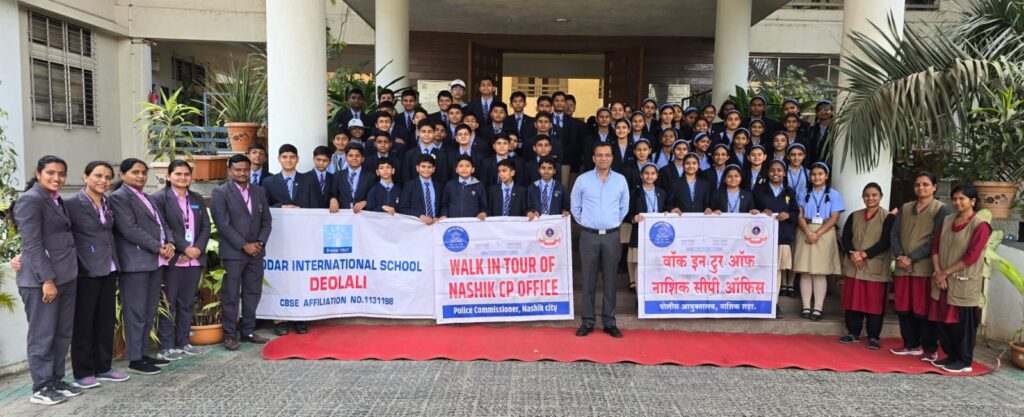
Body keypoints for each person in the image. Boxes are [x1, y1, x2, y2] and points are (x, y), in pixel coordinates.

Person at [12, 156, 81, 404]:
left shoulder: (55, 199)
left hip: (65, 277)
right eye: (51, 172)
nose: (57, 178)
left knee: (62, 333)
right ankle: (41, 387)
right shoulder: (30, 200)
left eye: (61, 174)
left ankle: (55, 380)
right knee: (43, 335)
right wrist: (47, 280)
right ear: (38, 173)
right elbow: (32, 243)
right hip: (41, 281)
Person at [64, 161, 130, 389]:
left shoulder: (107, 202)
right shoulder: (71, 203)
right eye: (98, 175)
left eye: (108, 177)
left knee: (105, 320)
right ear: (85, 176)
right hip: (85, 270)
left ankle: (104, 367)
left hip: (109, 267)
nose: (103, 181)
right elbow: (59, 233)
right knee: (84, 322)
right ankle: (83, 371)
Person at [109, 158, 174, 375]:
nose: (141, 176)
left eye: (144, 172)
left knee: (149, 310)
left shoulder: (146, 196)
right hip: (136, 263)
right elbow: (129, 229)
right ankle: (135, 359)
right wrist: (158, 247)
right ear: (122, 175)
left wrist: (170, 243)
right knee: (135, 311)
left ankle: (144, 353)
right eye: (135, 172)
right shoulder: (119, 197)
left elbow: (162, 224)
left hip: (154, 262)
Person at [210, 154, 272, 350]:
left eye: (246, 169)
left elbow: (267, 221)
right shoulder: (220, 192)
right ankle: (230, 335)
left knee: (253, 292)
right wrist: (244, 245)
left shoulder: (259, 191)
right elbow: (222, 224)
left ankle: (248, 331)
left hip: (256, 252)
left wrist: (259, 242)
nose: (243, 173)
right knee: (231, 294)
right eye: (238, 170)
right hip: (234, 253)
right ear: (230, 171)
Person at [152, 160, 211, 361]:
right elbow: (164, 227)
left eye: (186, 174)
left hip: (194, 260)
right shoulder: (159, 198)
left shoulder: (196, 198)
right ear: (168, 176)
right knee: (169, 304)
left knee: (187, 303)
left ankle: (183, 341)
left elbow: (205, 227)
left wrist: (197, 250)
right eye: (178, 174)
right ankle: (166, 346)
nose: (182, 177)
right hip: (173, 259)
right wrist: (185, 248)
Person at [928, 184, 991, 373]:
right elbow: (935, 247)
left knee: (962, 324)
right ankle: (951, 356)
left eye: (962, 198)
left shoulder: (980, 225)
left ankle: (964, 361)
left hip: (963, 281)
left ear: (973, 201)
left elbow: (971, 256)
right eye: (954, 198)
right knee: (943, 321)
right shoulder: (947, 220)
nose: (957, 202)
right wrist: (938, 271)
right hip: (942, 280)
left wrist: (945, 272)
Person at [571, 142, 630, 338]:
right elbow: (575, 207)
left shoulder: (620, 180)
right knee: (588, 280)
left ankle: (609, 322)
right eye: (599, 155)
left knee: (610, 280)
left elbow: (624, 207)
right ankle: (587, 321)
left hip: (612, 236)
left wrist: (612, 223)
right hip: (589, 235)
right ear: (593, 158)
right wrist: (588, 223)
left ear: (612, 158)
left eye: (607, 155)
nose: (603, 158)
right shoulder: (582, 180)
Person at [890, 171, 950, 359]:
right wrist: (900, 256)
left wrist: (912, 258)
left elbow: (936, 239)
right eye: (918, 184)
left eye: (925, 184)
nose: (921, 188)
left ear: (934, 187)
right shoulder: (906, 207)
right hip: (903, 267)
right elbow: (894, 234)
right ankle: (910, 344)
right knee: (903, 308)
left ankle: (929, 348)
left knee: (923, 309)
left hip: (924, 268)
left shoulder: (941, 209)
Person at [838, 183, 894, 350]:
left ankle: (874, 336)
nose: (870, 198)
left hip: (875, 267)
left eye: (874, 195)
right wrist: (853, 254)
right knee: (852, 302)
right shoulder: (854, 216)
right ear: (863, 197)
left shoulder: (888, 217)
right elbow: (845, 238)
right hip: (854, 265)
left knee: (874, 304)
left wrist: (864, 254)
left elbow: (885, 242)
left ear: (881, 196)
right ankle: (853, 333)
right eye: (867, 195)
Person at [793, 162, 845, 321]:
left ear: (826, 176)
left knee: (820, 273)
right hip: (805, 230)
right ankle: (806, 306)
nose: (816, 177)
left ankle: (818, 308)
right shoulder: (803, 193)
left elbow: (835, 218)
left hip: (825, 232)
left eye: (820, 174)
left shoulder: (834, 194)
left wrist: (817, 233)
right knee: (805, 272)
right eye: (814, 174)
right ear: (810, 177)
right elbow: (799, 215)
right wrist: (808, 232)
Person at [752, 159, 800, 318]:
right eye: (772, 170)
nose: (775, 173)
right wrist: (760, 212)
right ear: (767, 172)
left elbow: (795, 212)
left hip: (781, 236)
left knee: (776, 271)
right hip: (761, 238)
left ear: (784, 173)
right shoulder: (759, 190)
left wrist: (788, 215)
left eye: (779, 170)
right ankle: (759, 301)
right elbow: (751, 209)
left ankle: (774, 302)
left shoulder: (789, 191)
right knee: (761, 269)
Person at [626, 163, 667, 292]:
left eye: (652, 173)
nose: (649, 176)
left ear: (657, 176)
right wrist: (634, 218)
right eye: (646, 173)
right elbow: (626, 214)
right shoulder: (634, 193)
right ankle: (639, 296)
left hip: (657, 235)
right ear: (641, 175)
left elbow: (665, 209)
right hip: (639, 233)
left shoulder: (662, 192)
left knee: (655, 265)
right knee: (639, 264)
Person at [329, 143, 376, 213]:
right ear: (346, 158)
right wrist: (333, 199)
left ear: (362, 158)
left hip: (363, 215)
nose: (354, 158)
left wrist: (365, 202)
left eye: (357, 156)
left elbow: (375, 197)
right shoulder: (337, 175)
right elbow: (333, 193)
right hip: (342, 215)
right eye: (350, 155)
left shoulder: (371, 177)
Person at [263, 144, 313, 209]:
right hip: (278, 215)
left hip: (304, 215)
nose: (288, 160)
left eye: (292, 157)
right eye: (284, 157)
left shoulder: (308, 181)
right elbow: (263, 206)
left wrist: (300, 209)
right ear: (279, 159)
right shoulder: (268, 182)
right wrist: (280, 207)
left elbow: (315, 206)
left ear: (297, 159)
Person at [398, 154, 444, 225]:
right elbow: (402, 208)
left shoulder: (439, 186)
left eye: (429, 167)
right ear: (417, 168)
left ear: (433, 169)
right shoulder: (409, 186)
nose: (426, 169)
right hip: (417, 225)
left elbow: (443, 206)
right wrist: (420, 216)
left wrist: (439, 217)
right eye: (423, 166)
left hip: (436, 225)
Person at [440, 155, 487, 220]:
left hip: (472, 222)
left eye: (467, 166)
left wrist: (483, 213)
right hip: (453, 222)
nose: (464, 169)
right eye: (461, 166)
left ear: (473, 169)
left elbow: (484, 206)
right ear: (456, 169)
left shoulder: (479, 185)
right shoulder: (449, 185)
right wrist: (444, 215)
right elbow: (445, 205)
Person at [527, 156, 570, 220]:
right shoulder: (532, 187)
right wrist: (531, 212)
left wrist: (564, 211)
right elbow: (528, 207)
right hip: (536, 222)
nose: (546, 171)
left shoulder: (561, 188)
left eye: (550, 168)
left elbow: (566, 207)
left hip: (554, 223)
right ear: (539, 170)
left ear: (554, 171)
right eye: (543, 168)